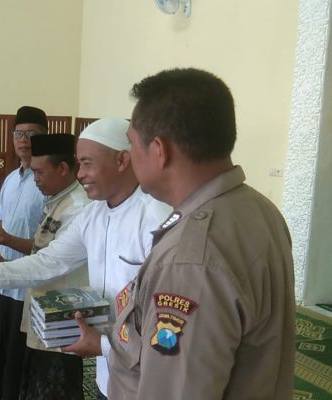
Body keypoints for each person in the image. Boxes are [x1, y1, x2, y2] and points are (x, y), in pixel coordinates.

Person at [103, 68, 295, 399]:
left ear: (159, 150)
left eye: (131, 143)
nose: (130, 155)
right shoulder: (258, 208)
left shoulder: (189, 260)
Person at [0, 117, 170, 400]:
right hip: (106, 370)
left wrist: (104, 345)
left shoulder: (157, 219)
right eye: (78, 163)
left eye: (86, 163)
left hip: (148, 376)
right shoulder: (94, 214)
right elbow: (48, 261)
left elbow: (166, 318)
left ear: (122, 160)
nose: (79, 174)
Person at [16, 133, 91, 399]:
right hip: (44, 313)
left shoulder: (79, 208)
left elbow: (48, 264)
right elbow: (41, 250)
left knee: (57, 389)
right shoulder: (57, 200)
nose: (35, 178)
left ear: (62, 168)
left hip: (62, 320)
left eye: (39, 172)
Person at [0, 106, 47, 400]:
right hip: (6, 282)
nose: (24, 140)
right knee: (2, 354)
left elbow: (51, 243)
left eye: (32, 134)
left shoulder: (48, 182)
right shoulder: (11, 179)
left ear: (44, 137)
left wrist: (7, 240)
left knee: (23, 363)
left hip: (31, 288)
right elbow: (1, 225)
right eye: (19, 133)